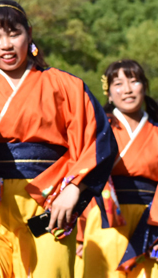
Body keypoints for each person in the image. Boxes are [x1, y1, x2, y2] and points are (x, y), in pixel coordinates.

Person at [0, 0, 117, 278]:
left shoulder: (65, 85)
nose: (6, 45)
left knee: (49, 271)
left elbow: (99, 140)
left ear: (29, 34)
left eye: (14, 34)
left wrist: (75, 190)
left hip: (50, 199)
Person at [81, 59, 158, 277]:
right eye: (118, 84)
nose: (127, 90)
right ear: (108, 92)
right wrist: (79, 231)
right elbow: (81, 176)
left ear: (144, 85)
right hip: (106, 217)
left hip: (151, 219)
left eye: (133, 81)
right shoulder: (97, 127)